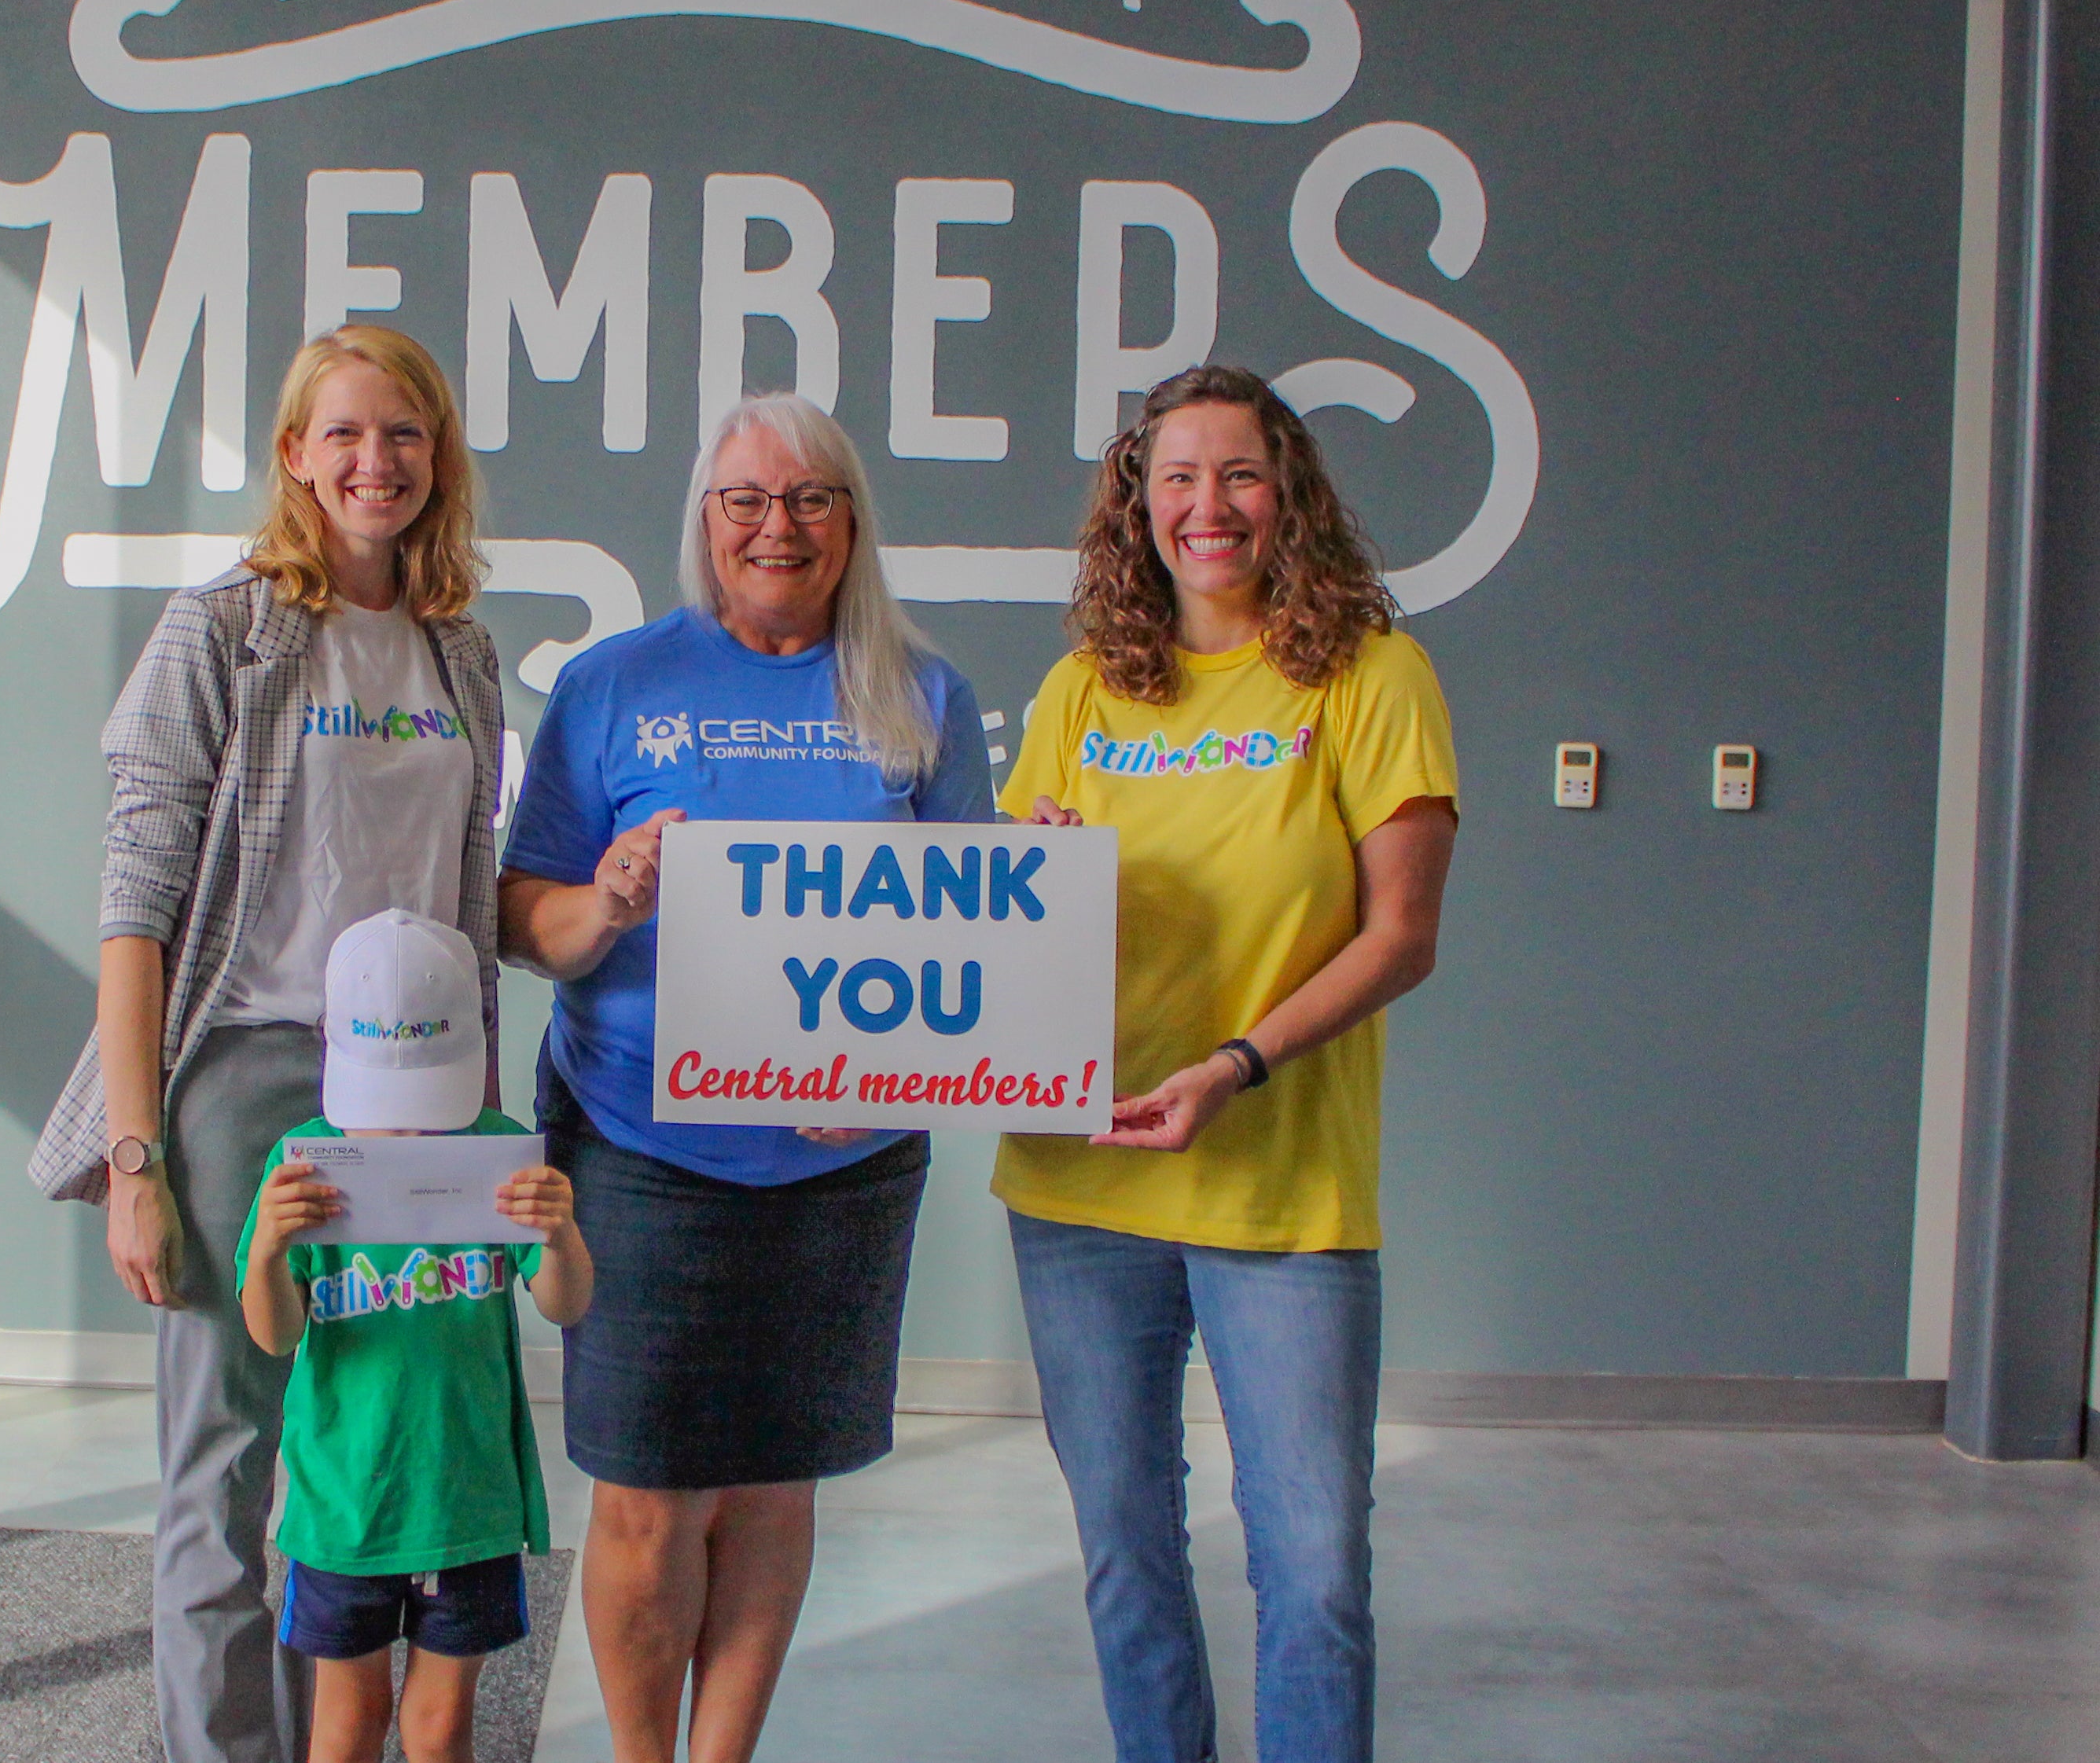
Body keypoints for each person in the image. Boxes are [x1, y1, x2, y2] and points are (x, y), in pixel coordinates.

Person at [27, 327, 506, 1763]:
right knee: (227, 1471)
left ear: (439, 456)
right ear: (295, 455)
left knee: (360, 1469)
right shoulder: (221, 632)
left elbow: (465, 889)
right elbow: (137, 912)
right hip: (247, 1082)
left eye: (405, 435)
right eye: (346, 435)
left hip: (422, 1093)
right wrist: (134, 1156)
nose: (378, 463)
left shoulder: (460, 649)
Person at [496, 393, 995, 1763]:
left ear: (851, 523)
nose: (779, 526)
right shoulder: (612, 685)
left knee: (776, 1487)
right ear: (704, 524)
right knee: (649, 1497)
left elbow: (974, 947)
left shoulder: (924, 694)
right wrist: (599, 900)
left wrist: (898, 1077)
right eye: (746, 502)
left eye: (811, 499)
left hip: (844, 1171)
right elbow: (518, 916)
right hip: (639, 1145)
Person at [999, 363, 1459, 1763]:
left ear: (1290, 495)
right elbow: (1002, 920)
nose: (1208, 506)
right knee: (1124, 1552)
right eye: (1176, 477)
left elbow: (1401, 937)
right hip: (1079, 1193)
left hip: (1280, 1192)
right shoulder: (1082, 690)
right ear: (1135, 502)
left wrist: (1236, 1065)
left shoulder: (1372, 674)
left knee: (1313, 1571)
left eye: (1239, 475)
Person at [238, 908, 595, 1763]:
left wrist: (558, 1232)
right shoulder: (302, 1162)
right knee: (347, 1722)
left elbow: (566, 1302)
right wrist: (269, 1250)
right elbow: (273, 1333)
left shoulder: (499, 1155)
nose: (402, 1132)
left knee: (439, 1728)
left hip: (464, 1497)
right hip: (344, 1505)